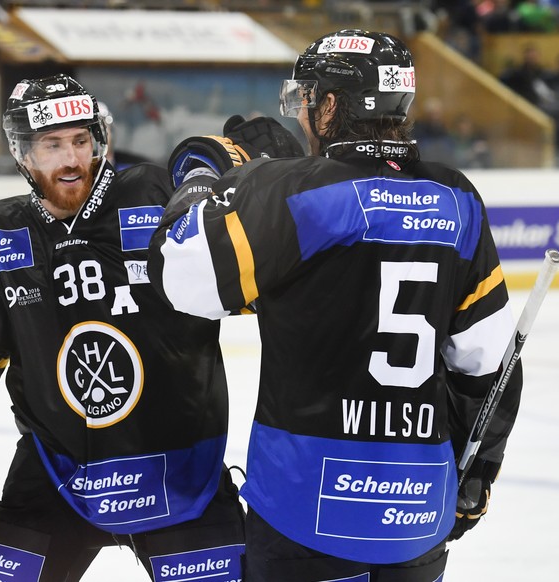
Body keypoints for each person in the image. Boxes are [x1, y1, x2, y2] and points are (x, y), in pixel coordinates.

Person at [147, 29, 523, 581]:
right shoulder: (457, 199)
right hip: (415, 511)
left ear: (328, 107)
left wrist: (212, 177)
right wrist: (476, 476)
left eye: (306, 101)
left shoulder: (294, 190)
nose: (300, 117)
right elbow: (488, 365)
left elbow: (178, 277)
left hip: (306, 505)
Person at [0, 74, 246, 581]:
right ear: (23, 154)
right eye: (52, 145)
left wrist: (232, 164)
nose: (71, 159)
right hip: (58, 473)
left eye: (80, 141)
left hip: (180, 472)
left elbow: (242, 263)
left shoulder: (159, 198)